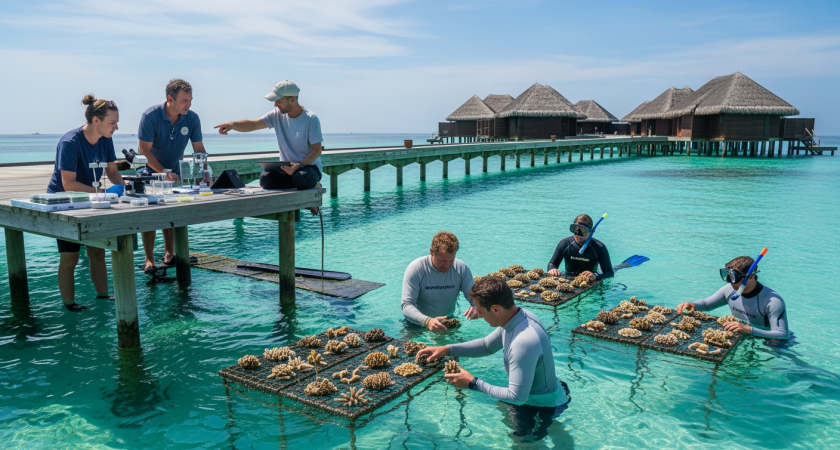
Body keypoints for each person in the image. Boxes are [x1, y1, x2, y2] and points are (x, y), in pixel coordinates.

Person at [417, 276, 571, 441]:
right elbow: (487, 346)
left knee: (523, 443)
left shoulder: (523, 342)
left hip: (543, 406)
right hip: (548, 392)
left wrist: (472, 383)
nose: (480, 316)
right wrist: (447, 349)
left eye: (481, 311)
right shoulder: (519, 317)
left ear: (496, 309)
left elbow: (518, 397)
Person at [47, 95, 125, 311]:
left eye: (117, 122)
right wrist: (104, 193)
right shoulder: (70, 143)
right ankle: (70, 306)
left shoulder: (106, 140)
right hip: (63, 202)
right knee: (70, 258)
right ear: (96, 120)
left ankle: (102, 296)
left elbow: (112, 171)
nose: (116, 127)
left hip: (92, 201)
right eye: (113, 122)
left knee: (98, 252)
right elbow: (68, 183)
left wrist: (126, 190)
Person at [214, 80, 322, 214]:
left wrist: (300, 164)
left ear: (292, 100)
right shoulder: (276, 114)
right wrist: (232, 125)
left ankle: (314, 184)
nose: (275, 104)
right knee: (265, 179)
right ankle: (303, 184)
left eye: (278, 101)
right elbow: (253, 124)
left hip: (307, 167)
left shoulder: (311, 119)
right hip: (286, 167)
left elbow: (317, 150)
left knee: (301, 178)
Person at [137, 78, 208, 271]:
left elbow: (199, 149)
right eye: (185, 100)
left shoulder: (192, 118)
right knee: (151, 216)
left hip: (176, 175)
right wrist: (163, 172)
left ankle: (170, 254)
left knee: (172, 213)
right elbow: (144, 150)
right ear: (170, 98)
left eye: (191, 100)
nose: (189, 104)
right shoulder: (150, 116)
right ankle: (149, 260)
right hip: (150, 172)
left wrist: (205, 172)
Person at [676, 256, 789, 340]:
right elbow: (706, 304)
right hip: (742, 335)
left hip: (772, 342)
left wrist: (748, 330)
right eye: (727, 276)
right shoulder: (729, 290)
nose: (729, 282)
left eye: (733, 277)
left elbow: (782, 334)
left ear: (750, 276)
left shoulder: (772, 301)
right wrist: (693, 305)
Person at [402, 231, 478, 332]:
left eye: (451, 260)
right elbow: (406, 305)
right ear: (432, 252)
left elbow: (475, 297)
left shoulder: (461, 268)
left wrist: (476, 307)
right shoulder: (416, 269)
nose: (447, 265)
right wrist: (427, 321)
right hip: (417, 325)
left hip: (448, 322)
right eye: (442, 260)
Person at [547, 213, 613, 280]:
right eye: (575, 228)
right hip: (568, 278)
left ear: (590, 232)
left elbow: (609, 273)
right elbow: (552, 264)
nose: (577, 233)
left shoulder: (599, 247)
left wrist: (595, 276)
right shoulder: (564, 244)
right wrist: (552, 269)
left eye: (583, 230)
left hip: (590, 281)